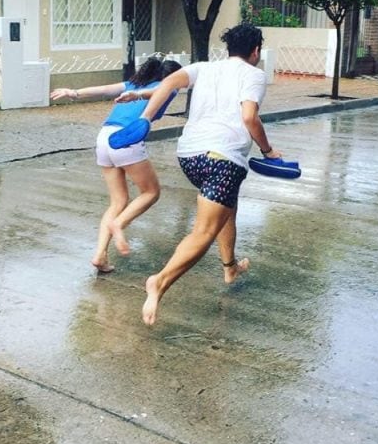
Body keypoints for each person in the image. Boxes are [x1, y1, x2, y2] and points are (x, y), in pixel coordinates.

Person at [116, 23, 281, 326]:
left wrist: (144, 115)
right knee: (204, 232)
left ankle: (230, 267)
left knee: (226, 209)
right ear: (256, 51)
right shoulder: (255, 75)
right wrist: (269, 151)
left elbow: (168, 85)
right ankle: (160, 282)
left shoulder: (204, 68)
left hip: (190, 157)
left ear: (229, 48)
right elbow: (249, 117)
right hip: (223, 160)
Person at [50, 57, 182, 273]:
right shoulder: (167, 87)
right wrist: (143, 94)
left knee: (118, 201)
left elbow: (103, 90)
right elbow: (160, 92)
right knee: (151, 192)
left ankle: (100, 255)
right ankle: (118, 224)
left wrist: (73, 93)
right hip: (125, 138)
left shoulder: (133, 84)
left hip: (104, 137)